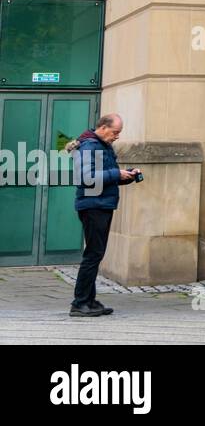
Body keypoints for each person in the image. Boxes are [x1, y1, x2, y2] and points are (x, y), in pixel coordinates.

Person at [67, 114, 140, 317]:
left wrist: (126, 176)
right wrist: (117, 174)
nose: (117, 137)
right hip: (93, 206)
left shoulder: (102, 146)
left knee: (95, 254)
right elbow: (87, 178)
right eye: (115, 132)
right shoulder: (90, 146)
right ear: (103, 127)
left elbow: (104, 178)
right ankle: (80, 303)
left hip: (101, 204)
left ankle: (89, 301)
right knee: (93, 255)